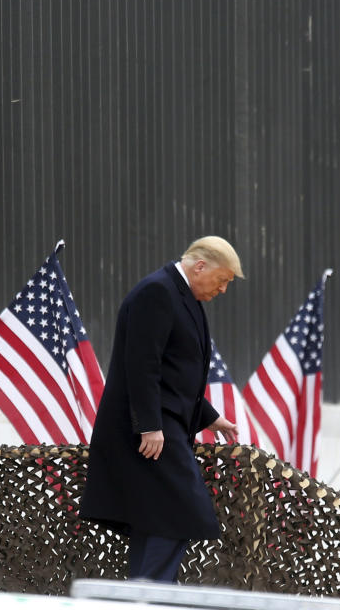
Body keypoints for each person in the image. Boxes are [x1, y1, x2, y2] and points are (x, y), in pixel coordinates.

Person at [81, 236, 244, 582]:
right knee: (179, 510)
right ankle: (149, 596)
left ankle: (142, 595)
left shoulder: (185, 297)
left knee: (157, 519)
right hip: (148, 433)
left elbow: (176, 373)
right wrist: (149, 425)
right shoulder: (157, 292)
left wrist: (209, 417)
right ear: (200, 266)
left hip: (164, 426)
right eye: (223, 279)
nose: (224, 289)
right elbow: (142, 364)